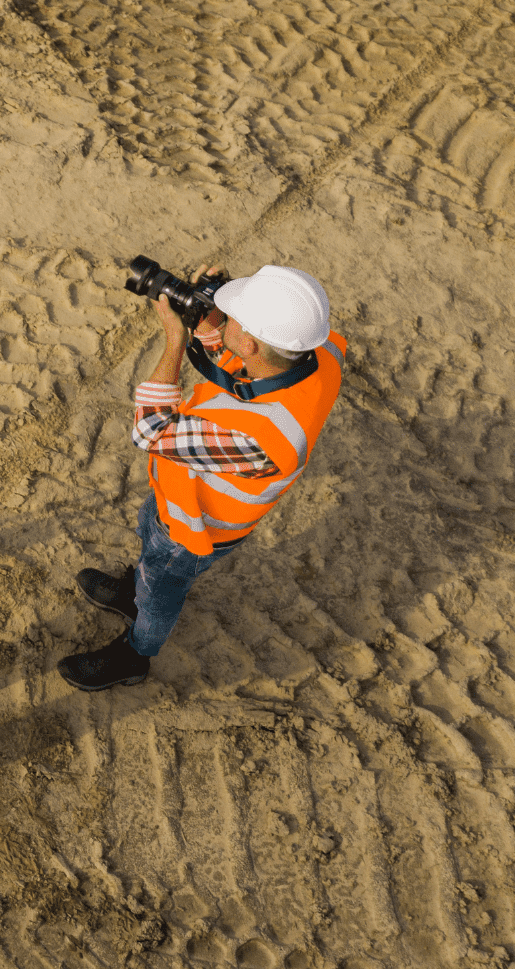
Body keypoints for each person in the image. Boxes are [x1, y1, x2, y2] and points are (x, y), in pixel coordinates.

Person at [61, 263, 347, 690]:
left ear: (249, 341)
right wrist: (215, 319)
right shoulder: (319, 353)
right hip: (176, 494)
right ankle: (132, 591)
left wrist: (177, 339)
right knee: (146, 534)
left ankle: (136, 653)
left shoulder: (264, 440)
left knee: (161, 589)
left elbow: (150, 429)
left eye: (233, 319)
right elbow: (240, 363)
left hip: (193, 529)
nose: (224, 316)